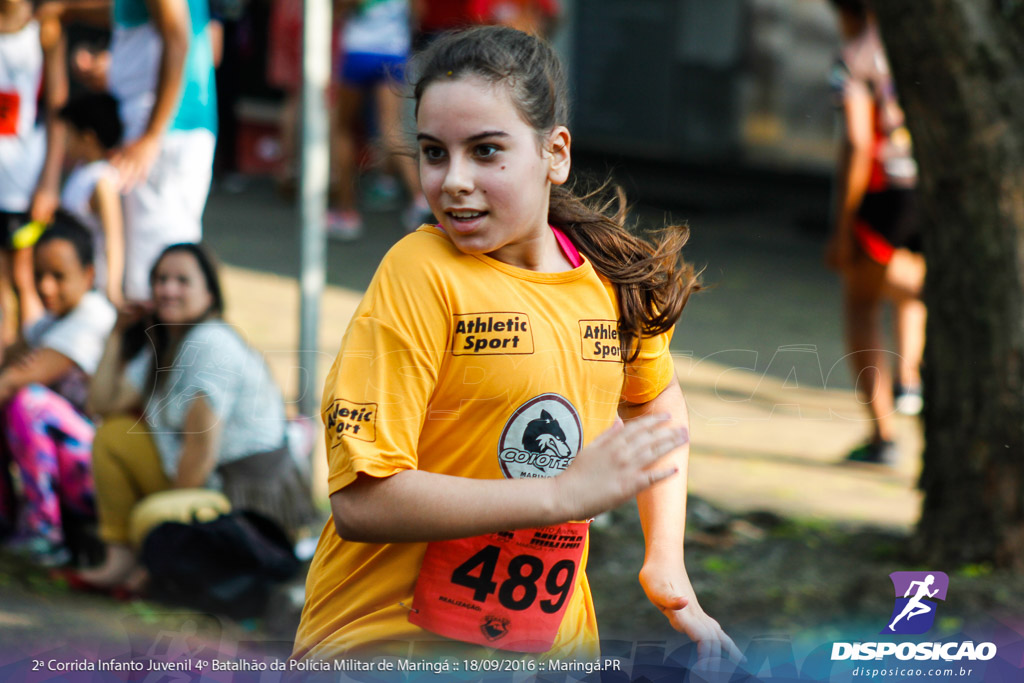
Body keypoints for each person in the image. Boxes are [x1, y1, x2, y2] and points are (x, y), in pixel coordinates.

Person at [293, 26, 740, 663]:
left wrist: (666, 564)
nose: (453, 180)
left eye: (485, 151)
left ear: (554, 154)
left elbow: (656, 404)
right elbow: (363, 500)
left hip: (549, 658)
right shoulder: (420, 270)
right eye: (433, 152)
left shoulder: (610, 282)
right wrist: (560, 496)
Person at [75, 242, 315, 591]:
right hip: (208, 482)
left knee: (150, 515)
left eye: (182, 281)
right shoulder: (169, 342)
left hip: (246, 499)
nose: (168, 289)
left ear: (210, 293)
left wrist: (166, 528)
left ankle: (148, 565)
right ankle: (119, 560)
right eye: (161, 279)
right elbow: (102, 404)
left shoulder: (211, 343)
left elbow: (199, 453)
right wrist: (116, 332)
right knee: (115, 434)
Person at [39, 0, 218, 301]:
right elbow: (130, 11)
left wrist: (151, 135)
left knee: (159, 273)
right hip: (158, 128)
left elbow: (176, 36)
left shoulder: (156, 133)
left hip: (166, 134)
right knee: (149, 270)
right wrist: (72, 11)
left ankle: (166, 345)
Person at [825, 0, 926, 465]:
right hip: (923, 187)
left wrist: (842, 226)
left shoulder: (853, 59)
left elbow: (858, 140)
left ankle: (883, 434)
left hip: (882, 193)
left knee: (860, 306)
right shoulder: (915, 49)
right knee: (911, 286)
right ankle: (908, 382)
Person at [0, 215, 116, 566]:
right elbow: (10, 360)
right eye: (39, 276)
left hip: (100, 474)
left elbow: (15, 378)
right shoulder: (51, 321)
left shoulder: (94, 315)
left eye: (59, 276)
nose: (46, 287)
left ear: (89, 275)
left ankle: (44, 534)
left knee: (27, 402)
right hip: (72, 465)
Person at [326, 0, 428, 239]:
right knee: (391, 131)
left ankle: (346, 212)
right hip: (394, 53)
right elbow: (418, 13)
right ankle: (420, 198)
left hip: (358, 51)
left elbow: (340, 9)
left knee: (341, 129)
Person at [0, 0, 67, 349]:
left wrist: (50, 182)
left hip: (21, 182)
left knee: (22, 279)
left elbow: (59, 109)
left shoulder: (46, 26)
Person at [57, 92, 125, 306]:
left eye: (68, 134)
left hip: (94, 286)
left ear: (87, 138)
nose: (64, 141)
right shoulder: (80, 171)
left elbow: (113, 236)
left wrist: (112, 288)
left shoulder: (101, 181)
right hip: (74, 278)